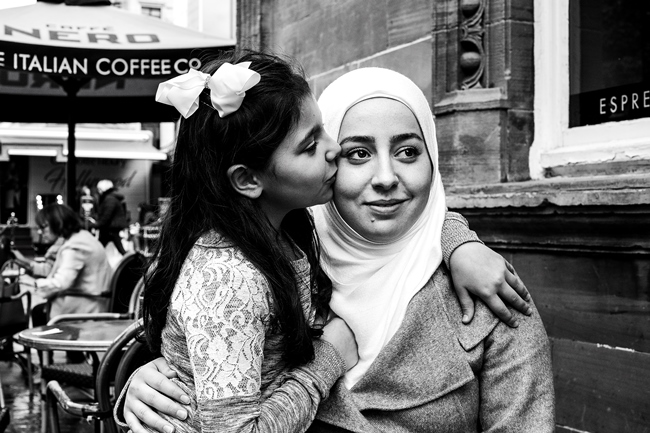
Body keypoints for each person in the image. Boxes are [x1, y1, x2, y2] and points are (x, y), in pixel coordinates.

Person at [118, 66, 554, 432]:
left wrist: (458, 240)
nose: (385, 177)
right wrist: (148, 382)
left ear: (434, 161)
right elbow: (217, 365)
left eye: (407, 151)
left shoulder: (488, 290)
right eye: (357, 154)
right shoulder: (281, 258)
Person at [17, 204, 112, 326]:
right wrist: (30, 267)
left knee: (37, 312)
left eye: (43, 227)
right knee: (38, 311)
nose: (40, 232)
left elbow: (61, 282)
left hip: (83, 309)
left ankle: (46, 344)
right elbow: (59, 271)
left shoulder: (76, 245)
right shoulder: (82, 238)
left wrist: (33, 284)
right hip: (90, 302)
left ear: (58, 223)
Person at [95, 179, 128, 255]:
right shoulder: (111, 198)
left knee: (98, 250)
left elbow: (106, 216)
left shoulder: (109, 199)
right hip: (111, 229)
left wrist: (96, 224)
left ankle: (133, 263)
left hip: (110, 229)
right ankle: (132, 263)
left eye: (99, 189)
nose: (98, 191)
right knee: (120, 250)